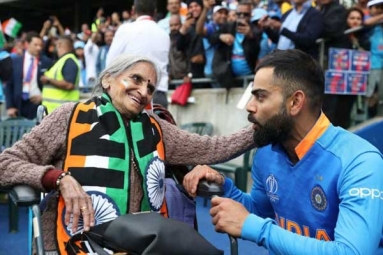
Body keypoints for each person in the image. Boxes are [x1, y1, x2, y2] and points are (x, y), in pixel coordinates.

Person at [0, 54, 255, 254]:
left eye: (150, 87)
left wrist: (261, 129)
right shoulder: (69, 116)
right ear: (108, 79)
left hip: (143, 244)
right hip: (73, 244)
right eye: (135, 79)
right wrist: (58, 178)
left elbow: (214, 147)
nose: (144, 91)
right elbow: (6, 164)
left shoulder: (157, 127)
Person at [183, 49, 383, 254]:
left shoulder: (361, 162)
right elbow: (260, 212)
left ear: (295, 102)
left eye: (260, 96)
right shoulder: (266, 153)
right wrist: (225, 187)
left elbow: (351, 252)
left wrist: (258, 230)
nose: (249, 106)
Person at [107, 0, 170, 108]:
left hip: (133, 94)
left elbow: (110, 64)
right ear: (154, 12)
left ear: (133, 10)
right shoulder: (164, 34)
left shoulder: (126, 29)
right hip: (159, 95)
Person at [5, 32, 52, 119]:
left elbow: (52, 82)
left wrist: (43, 96)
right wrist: (10, 106)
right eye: (35, 45)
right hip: (18, 104)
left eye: (40, 45)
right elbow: (9, 84)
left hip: (37, 104)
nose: (39, 48)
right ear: (27, 44)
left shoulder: (47, 62)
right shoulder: (15, 61)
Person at [40, 36, 80, 114]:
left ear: (59, 45)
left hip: (63, 113)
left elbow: (69, 85)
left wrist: (48, 80)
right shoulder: (62, 61)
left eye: (55, 45)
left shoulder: (69, 61)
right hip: (55, 112)